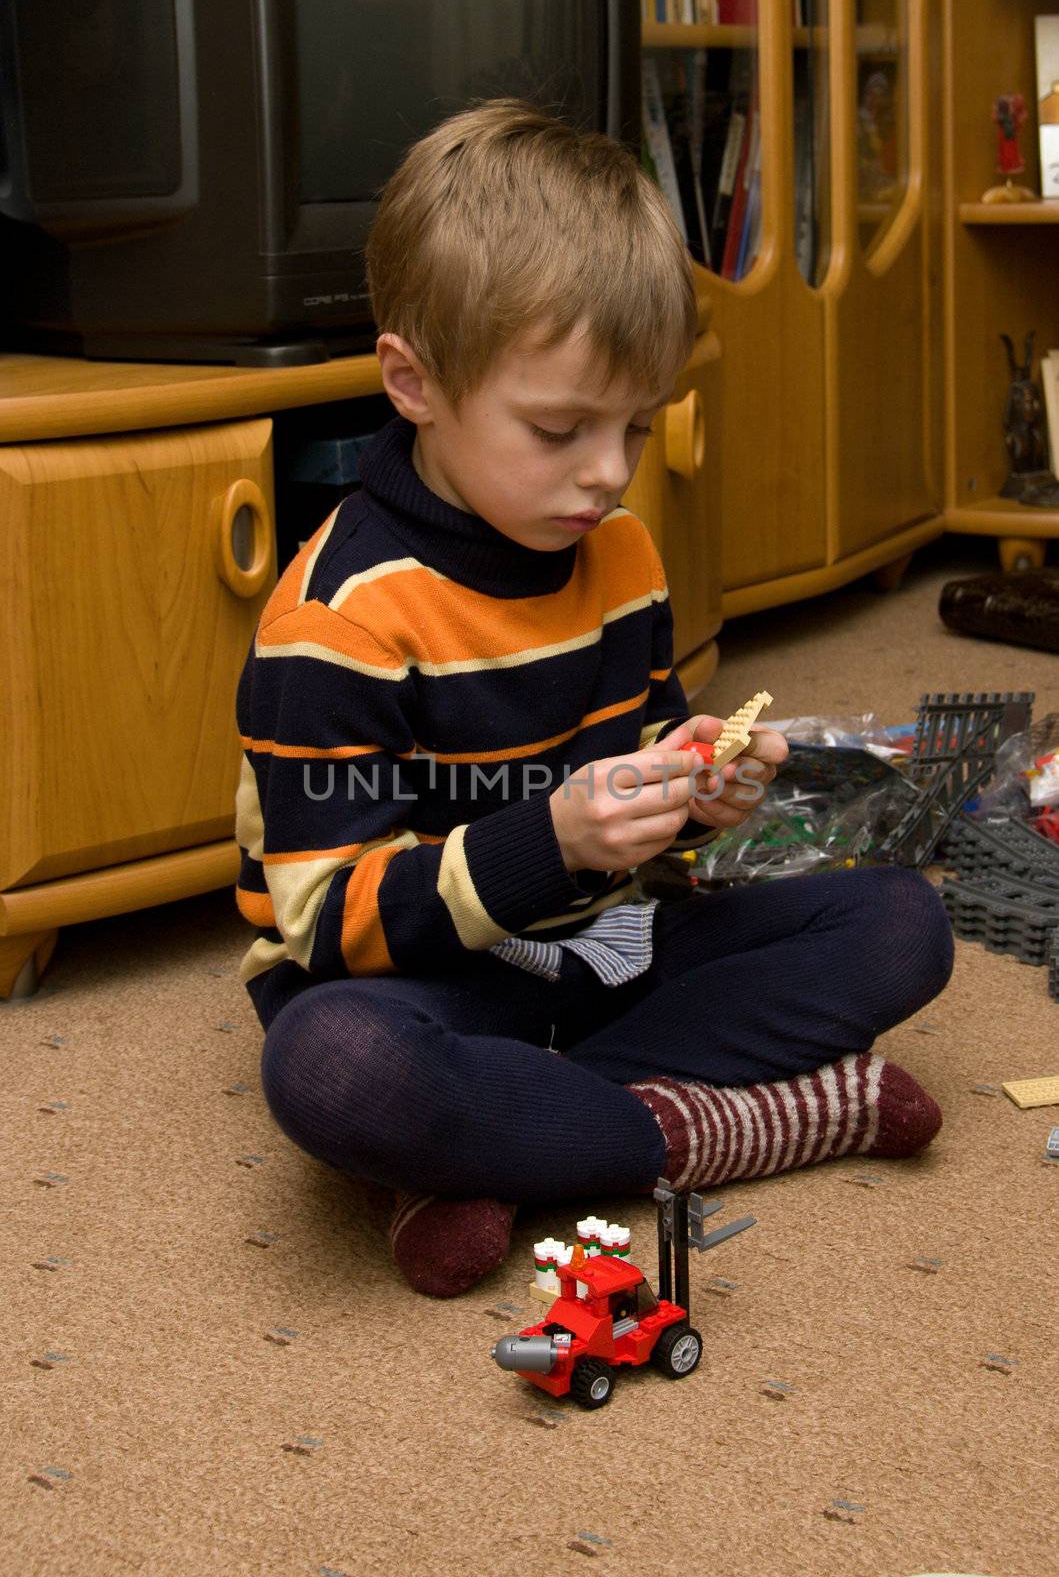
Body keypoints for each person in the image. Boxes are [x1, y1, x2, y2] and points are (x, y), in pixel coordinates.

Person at [233, 99, 954, 1298]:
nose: (609, 471)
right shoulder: (338, 619)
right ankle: (717, 1125)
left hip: (606, 947)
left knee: (900, 924)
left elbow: (644, 747)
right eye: (561, 428)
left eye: (634, 423)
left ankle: (508, 1141)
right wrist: (547, 840)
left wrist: (699, 783)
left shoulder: (620, 555)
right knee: (336, 1067)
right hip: (433, 976)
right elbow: (319, 917)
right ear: (413, 382)